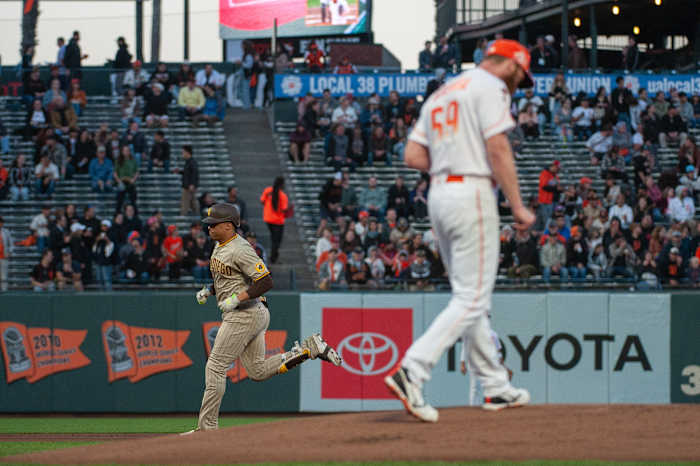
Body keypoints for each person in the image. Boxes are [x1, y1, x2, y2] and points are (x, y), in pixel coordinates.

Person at [384, 39, 535, 422]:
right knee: (471, 298)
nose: (520, 83)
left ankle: (496, 387)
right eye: (521, 75)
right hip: (471, 192)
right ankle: (412, 370)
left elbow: (412, 156)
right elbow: (498, 147)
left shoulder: (443, 92)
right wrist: (517, 205)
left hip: (439, 194)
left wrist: (451, 157)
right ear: (511, 65)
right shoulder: (491, 87)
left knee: (470, 298)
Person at [184, 204, 342, 433]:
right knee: (257, 371)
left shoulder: (240, 248)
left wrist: (237, 298)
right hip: (250, 312)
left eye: (213, 225)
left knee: (215, 366)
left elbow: (266, 281)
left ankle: (207, 429)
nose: (208, 228)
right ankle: (309, 349)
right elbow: (231, 278)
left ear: (228, 226)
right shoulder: (220, 245)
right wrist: (210, 290)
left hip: (244, 313)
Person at [260, 177, 289, 264]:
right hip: (278, 220)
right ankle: (273, 258)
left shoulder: (268, 190)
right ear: (282, 185)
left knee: (274, 239)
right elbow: (284, 209)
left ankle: (274, 257)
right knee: (277, 240)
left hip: (268, 218)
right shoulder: (283, 196)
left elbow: (262, 201)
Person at [174, 145, 199, 215]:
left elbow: (194, 173)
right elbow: (187, 173)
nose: (182, 154)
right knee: (193, 203)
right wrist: (179, 171)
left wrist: (192, 184)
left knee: (185, 203)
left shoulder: (192, 162)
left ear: (187, 152)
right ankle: (197, 216)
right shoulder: (188, 162)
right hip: (188, 185)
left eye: (183, 152)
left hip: (188, 186)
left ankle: (182, 217)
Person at [0, 216, 13, 292]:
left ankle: (4, 291)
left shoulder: (6, 231)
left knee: (4, 276)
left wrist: (10, 252)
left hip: (4, 257)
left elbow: (11, 244)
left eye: (1, 222)